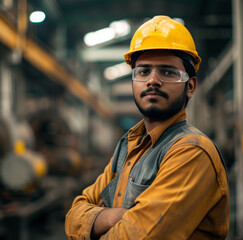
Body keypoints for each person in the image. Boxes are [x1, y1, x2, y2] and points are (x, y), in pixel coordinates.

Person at [65, 15, 229, 240]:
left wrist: (96, 221)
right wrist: (114, 217)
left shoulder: (191, 152)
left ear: (190, 87)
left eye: (168, 72)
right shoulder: (128, 146)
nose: (153, 80)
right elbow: (73, 215)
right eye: (143, 71)